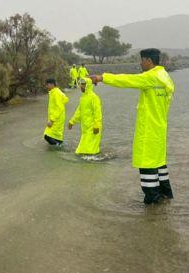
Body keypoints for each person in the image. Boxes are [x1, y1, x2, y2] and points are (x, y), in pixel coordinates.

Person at [91, 48, 175, 204]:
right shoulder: (165, 77)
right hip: (160, 128)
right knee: (159, 163)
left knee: (147, 163)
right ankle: (166, 195)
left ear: (149, 61)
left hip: (149, 129)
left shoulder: (151, 77)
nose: (140, 63)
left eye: (142, 60)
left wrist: (102, 77)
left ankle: (152, 202)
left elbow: (127, 80)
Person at [68, 77, 103, 155]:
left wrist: (97, 125)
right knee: (80, 152)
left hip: (93, 129)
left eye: (83, 84)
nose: (81, 86)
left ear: (88, 85)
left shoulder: (94, 98)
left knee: (90, 153)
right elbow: (79, 111)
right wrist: (72, 121)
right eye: (81, 84)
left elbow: (98, 113)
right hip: (85, 130)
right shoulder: (83, 98)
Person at [44, 78, 69, 146]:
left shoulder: (56, 93)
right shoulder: (53, 92)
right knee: (56, 135)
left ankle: (59, 147)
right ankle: (59, 145)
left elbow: (59, 107)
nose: (46, 86)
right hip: (57, 117)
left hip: (56, 118)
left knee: (47, 136)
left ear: (52, 84)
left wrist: (52, 120)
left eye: (47, 85)